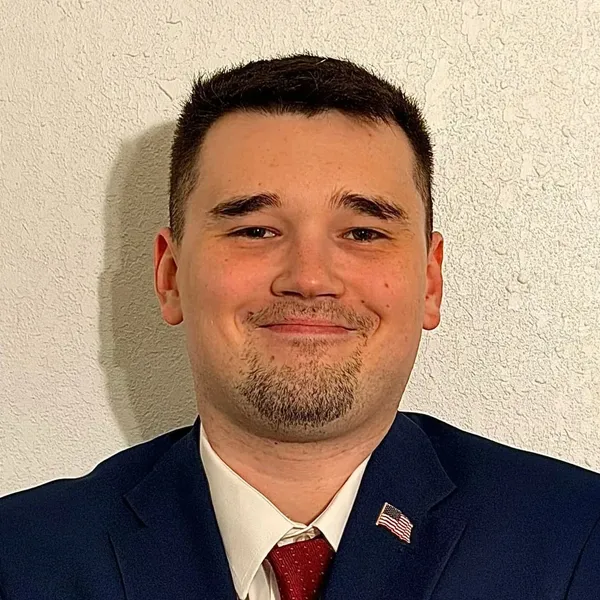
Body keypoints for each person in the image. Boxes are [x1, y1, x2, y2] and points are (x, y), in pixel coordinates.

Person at [1, 53, 598, 600]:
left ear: (430, 282)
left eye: (363, 232)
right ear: (171, 275)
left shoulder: (578, 542)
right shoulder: (20, 560)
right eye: (255, 230)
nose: (309, 278)